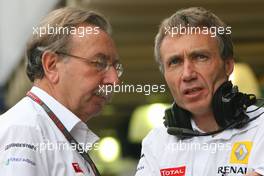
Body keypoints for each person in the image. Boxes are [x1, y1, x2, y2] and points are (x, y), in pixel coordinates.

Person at [135, 7, 264, 176]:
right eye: (175, 62)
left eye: (200, 57)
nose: (187, 74)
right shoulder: (156, 142)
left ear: (228, 65)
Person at [0, 7, 122, 176]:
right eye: (99, 63)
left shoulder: (48, 130)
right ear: (51, 65)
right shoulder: (24, 131)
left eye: (116, 67)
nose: (114, 80)